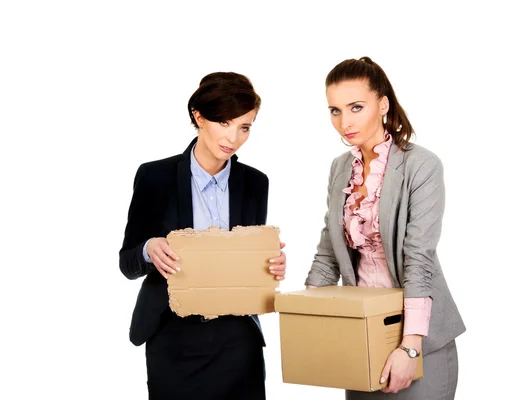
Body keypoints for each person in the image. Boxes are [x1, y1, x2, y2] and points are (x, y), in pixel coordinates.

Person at [304, 57, 466, 399]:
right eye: (334, 110)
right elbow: (328, 255)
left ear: (383, 104)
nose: (344, 122)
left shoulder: (421, 165)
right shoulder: (339, 168)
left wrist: (410, 348)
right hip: (362, 335)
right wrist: (308, 320)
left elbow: (418, 259)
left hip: (419, 339)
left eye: (356, 107)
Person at [119, 71, 286, 400]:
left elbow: (249, 262)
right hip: (172, 335)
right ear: (198, 116)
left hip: (238, 338)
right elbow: (127, 262)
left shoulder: (255, 183)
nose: (233, 138)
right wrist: (149, 248)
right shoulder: (155, 177)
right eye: (224, 122)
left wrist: (272, 266)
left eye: (244, 127)